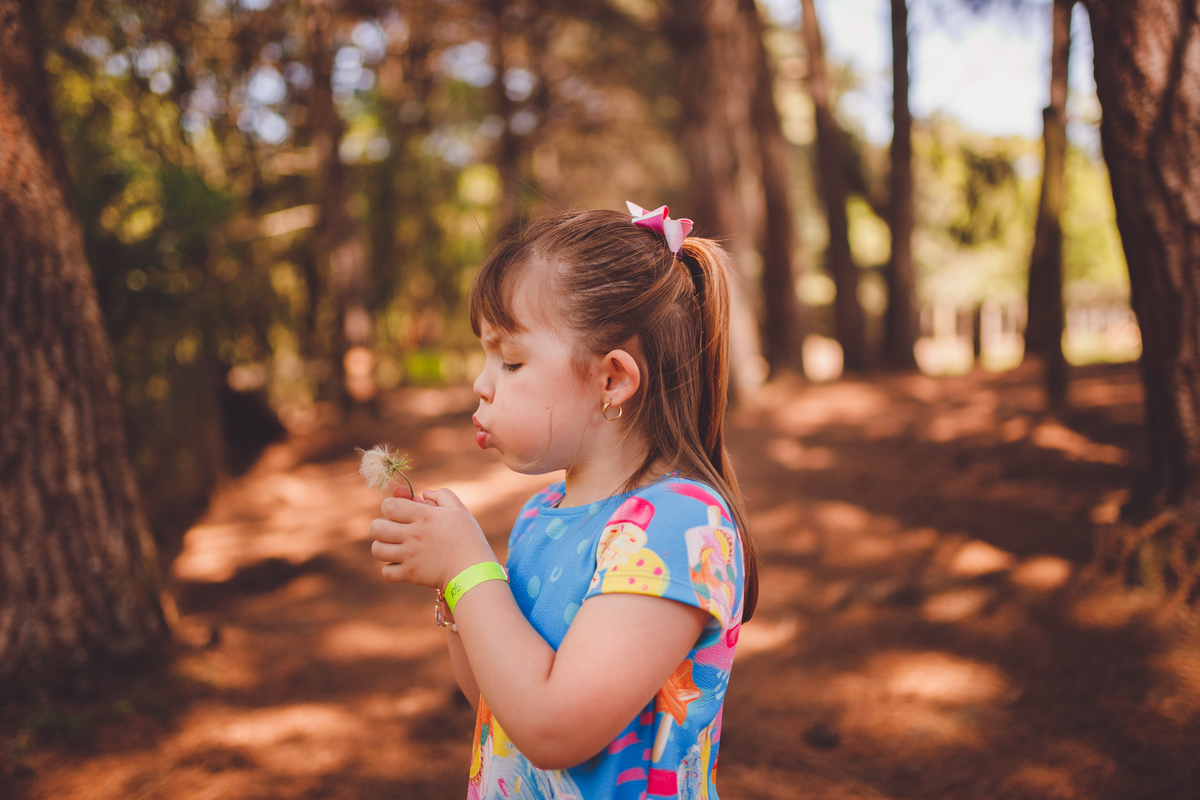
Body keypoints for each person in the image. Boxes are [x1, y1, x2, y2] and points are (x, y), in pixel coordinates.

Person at [370, 203, 759, 799]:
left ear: (612, 380)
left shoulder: (677, 525)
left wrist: (469, 569)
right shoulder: (542, 514)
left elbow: (553, 729)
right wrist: (454, 589)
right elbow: (499, 705)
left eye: (511, 360)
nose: (481, 383)